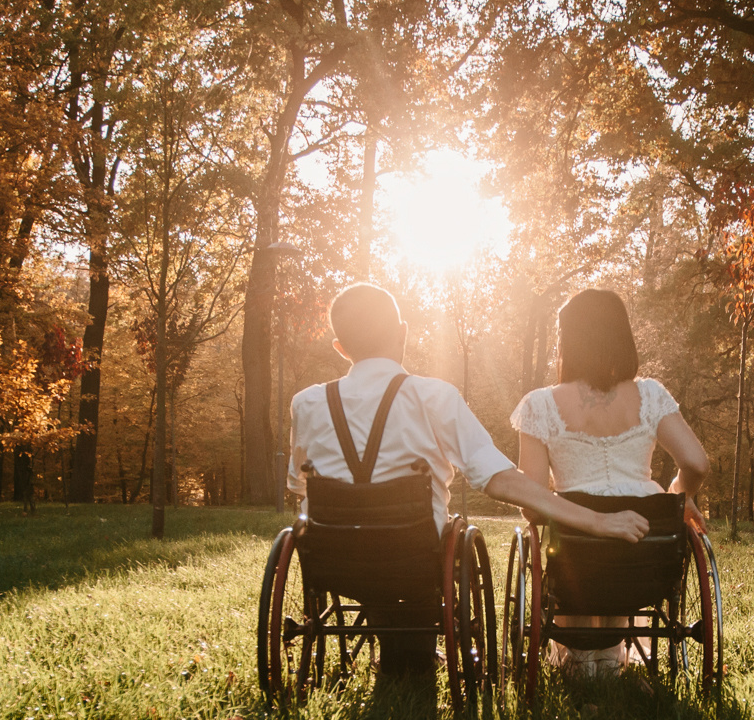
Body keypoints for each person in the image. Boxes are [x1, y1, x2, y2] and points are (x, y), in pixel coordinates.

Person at [288, 283, 648, 681]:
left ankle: (398, 650)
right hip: (414, 557)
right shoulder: (433, 396)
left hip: (336, 560)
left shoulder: (305, 403)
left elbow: (299, 486)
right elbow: (498, 479)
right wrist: (595, 520)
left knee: (365, 544)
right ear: (402, 333)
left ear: (340, 347)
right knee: (420, 543)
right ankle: (411, 649)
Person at [510, 288, 710, 675]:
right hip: (646, 550)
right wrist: (677, 496)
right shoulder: (650, 395)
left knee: (575, 556)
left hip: (575, 552)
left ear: (567, 341)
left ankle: (583, 661)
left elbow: (530, 506)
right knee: (629, 559)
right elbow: (697, 462)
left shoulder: (540, 404)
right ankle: (609, 661)